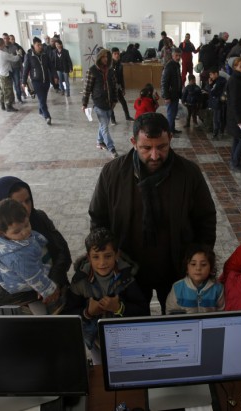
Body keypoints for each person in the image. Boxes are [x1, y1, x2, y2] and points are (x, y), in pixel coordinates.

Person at [88, 112, 217, 312]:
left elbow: (205, 219)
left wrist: (198, 262)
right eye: (146, 148)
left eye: (162, 147)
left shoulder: (189, 174)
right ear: (133, 142)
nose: (155, 155)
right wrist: (105, 261)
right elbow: (98, 219)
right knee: (135, 322)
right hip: (128, 272)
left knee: (177, 325)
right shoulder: (112, 174)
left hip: (176, 269)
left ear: (170, 139)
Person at [0, 176, 71, 310]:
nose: (26, 208)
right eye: (18, 203)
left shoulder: (39, 218)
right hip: (22, 305)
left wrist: (53, 282)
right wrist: (40, 291)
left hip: (55, 292)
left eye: (28, 200)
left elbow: (63, 253)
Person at [63, 228, 149, 363]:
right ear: (88, 257)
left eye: (108, 256)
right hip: (95, 339)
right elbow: (68, 316)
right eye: (96, 257)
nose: (102, 263)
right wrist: (87, 312)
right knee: (101, 371)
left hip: (125, 337)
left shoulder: (127, 278)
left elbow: (143, 311)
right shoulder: (80, 281)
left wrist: (119, 308)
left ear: (117, 255)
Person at [165, 245, 224, 314]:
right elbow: (171, 311)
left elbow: (221, 312)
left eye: (203, 264)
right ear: (187, 268)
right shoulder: (177, 288)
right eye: (193, 264)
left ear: (211, 269)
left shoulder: (218, 288)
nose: (198, 268)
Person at [82, 48, 119, 158]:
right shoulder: (92, 71)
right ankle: (111, 148)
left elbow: (114, 86)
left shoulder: (110, 71)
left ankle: (99, 141)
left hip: (109, 104)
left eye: (107, 57)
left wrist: (115, 100)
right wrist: (84, 103)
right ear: (99, 58)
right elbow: (87, 88)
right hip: (98, 104)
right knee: (105, 127)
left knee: (104, 125)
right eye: (103, 57)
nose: (105, 59)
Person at [22, 36, 58, 125]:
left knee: (43, 98)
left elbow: (51, 67)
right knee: (42, 99)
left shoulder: (45, 55)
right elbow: (26, 70)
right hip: (36, 81)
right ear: (34, 45)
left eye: (41, 45)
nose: (40, 47)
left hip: (46, 81)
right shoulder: (29, 56)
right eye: (38, 45)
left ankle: (41, 110)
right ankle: (47, 116)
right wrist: (23, 82)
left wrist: (55, 76)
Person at [0, 37, 21, 112]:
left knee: (1, 90)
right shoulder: (3, 54)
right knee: (8, 91)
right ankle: (9, 106)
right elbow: (15, 59)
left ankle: (2, 105)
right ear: (2, 44)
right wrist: (19, 54)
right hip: (5, 75)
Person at [161, 47, 183, 135]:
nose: (178, 57)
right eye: (176, 55)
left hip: (175, 94)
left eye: (179, 56)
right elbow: (164, 82)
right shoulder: (169, 66)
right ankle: (169, 132)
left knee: (173, 114)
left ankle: (172, 129)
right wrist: (166, 96)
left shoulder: (177, 65)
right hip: (170, 95)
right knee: (170, 114)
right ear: (172, 55)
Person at [110, 47, 134, 124]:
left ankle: (127, 116)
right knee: (111, 104)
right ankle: (112, 119)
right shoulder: (109, 65)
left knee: (123, 102)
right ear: (111, 55)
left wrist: (123, 88)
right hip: (111, 88)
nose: (117, 55)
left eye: (118, 53)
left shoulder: (120, 64)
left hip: (118, 87)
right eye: (115, 54)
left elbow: (121, 77)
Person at [207, 68, 227, 139]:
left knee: (217, 119)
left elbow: (212, 92)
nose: (210, 76)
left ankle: (216, 134)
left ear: (216, 74)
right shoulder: (217, 80)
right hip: (217, 103)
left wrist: (210, 85)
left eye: (211, 74)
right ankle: (220, 132)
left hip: (219, 103)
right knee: (218, 118)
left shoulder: (220, 81)